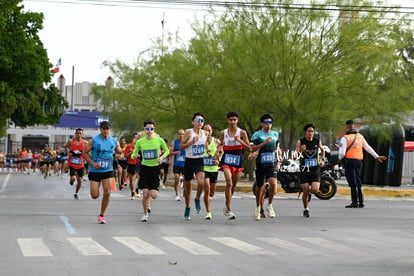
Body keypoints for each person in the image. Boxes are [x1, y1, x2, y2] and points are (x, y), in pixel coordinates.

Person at [338, 120, 387, 208]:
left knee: (352, 181)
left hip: (350, 161)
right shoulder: (360, 137)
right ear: (353, 126)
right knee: (358, 180)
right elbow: (368, 148)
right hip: (359, 161)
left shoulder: (345, 138)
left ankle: (354, 202)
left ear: (347, 127)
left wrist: (339, 160)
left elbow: (342, 153)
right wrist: (376, 156)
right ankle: (361, 202)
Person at [82, 121, 124, 224]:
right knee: (94, 195)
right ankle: (97, 189)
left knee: (108, 192)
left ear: (110, 130)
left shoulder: (114, 141)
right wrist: (92, 163)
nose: (106, 130)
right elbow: (84, 153)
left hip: (108, 170)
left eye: (107, 128)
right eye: (104, 128)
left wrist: (120, 155)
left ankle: (101, 215)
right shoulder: (94, 141)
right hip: (95, 170)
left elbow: (120, 152)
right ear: (100, 129)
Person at [131, 119, 170, 222]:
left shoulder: (159, 140)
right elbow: (133, 153)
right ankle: (145, 214)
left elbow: (167, 151)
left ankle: (148, 203)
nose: (149, 131)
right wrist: (135, 155)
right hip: (144, 168)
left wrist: (162, 157)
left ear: (154, 129)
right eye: (147, 129)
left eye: (151, 129)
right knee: (145, 193)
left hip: (155, 168)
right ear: (144, 129)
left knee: (154, 195)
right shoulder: (140, 141)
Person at [219, 111, 251, 220]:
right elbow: (220, 144)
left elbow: (249, 148)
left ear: (237, 120)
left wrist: (240, 141)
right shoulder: (223, 132)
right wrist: (217, 152)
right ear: (227, 120)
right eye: (231, 120)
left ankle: (227, 204)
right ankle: (228, 208)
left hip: (238, 159)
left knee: (233, 185)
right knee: (229, 182)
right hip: (227, 159)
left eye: (234, 120)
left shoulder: (242, 133)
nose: (232, 122)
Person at [250, 114, 280, 220]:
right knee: (260, 187)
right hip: (261, 164)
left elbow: (277, 147)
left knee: (273, 184)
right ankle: (258, 207)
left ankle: (270, 205)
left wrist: (279, 158)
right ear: (262, 123)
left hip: (271, 163)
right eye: (266, 123)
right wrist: (264, 143)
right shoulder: (257, 135)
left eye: (270, 123)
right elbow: (252, 148)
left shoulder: (275, 134)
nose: (268, 125)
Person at [180, 112, 207, 220]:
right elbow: (181, 146)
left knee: (201, 182)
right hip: (189, 161)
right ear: (193, 122)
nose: (199, 123)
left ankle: (197, 198)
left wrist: (209, 151)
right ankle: (187, 207)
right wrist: (191, 142)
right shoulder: (188, 132)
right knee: (188, 188)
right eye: (197, 120)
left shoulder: (205, 133)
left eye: (201, 121)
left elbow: (205, 145)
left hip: (199, 161)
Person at [295, 123, 325, 217]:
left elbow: (323, 150)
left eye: (312, 131)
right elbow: (295, 155)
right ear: (305, 132)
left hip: (315, 169)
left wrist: (322, 160)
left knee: (315, 190)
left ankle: (309, 194)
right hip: (304, 169)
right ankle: (306, 209)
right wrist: (300, 151)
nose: (311, 133)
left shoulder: (317, 141)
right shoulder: (300, 142)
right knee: (305, 189)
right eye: (309, 131)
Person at [200, 124, 222, 220]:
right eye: (205, 130)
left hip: (213, 169)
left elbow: (222, 151)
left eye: (209, 130)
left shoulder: (216, 141)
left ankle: (208, 199)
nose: (207, 132)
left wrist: (219, 160)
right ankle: (208, 212)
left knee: (212, 192)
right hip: (204, 169)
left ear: (211, 131)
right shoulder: (200, 142)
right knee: (207, 187)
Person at [65, 128, 87, 200]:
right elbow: (65, 147)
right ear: (75, 134)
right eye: (77, 133)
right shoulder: (71, 141)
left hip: (80, 163)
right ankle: (71, 179)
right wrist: (68, 152)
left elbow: (89, 150)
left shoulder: (85, 142)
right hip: (72, 163)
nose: (79, 135)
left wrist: (85, 154)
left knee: (80, 181)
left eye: (80, 133)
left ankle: (76, 193)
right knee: (73, 178)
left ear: (82, 134)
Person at [170, 129, 186, 201]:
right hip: (177, 164)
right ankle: (177, 194)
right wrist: (175, 153)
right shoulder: (174, 142)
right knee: (176, 178)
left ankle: (184, 191)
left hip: (185, 164)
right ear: (177, 135)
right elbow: (170, 153)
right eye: (180, 134)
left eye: (183, 134)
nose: (181, 136)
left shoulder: (187, 142)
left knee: (187, 180)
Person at [124, 133, 139, 200]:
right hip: (131, 163)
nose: (136, 139)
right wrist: (131, 152)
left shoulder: (141, 145)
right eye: (134, 138)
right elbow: (125, 156)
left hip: (139, 164)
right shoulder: (128, 146)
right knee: (131, 179)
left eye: (137, 138)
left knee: (138, 177)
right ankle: (132, 192)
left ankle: (137, 188)